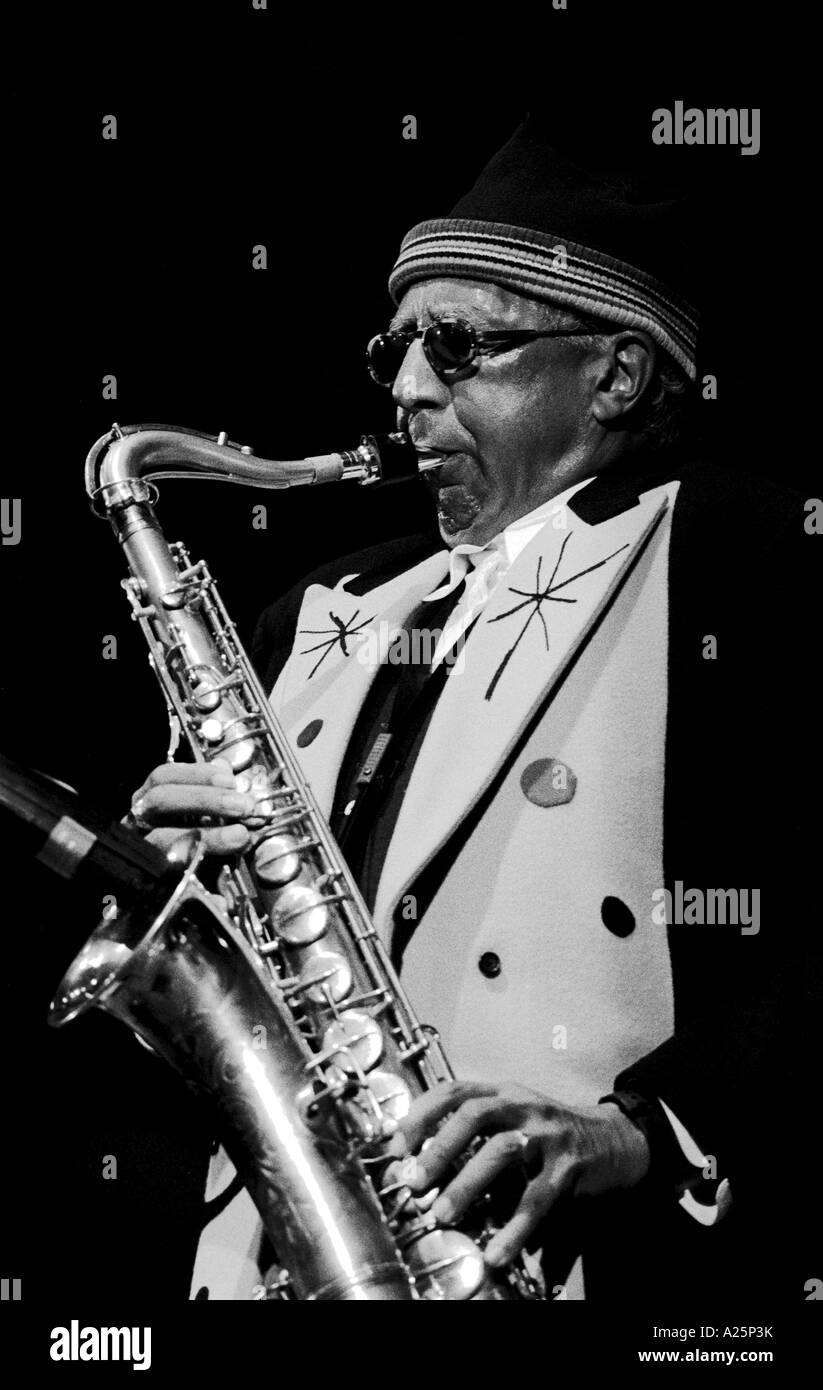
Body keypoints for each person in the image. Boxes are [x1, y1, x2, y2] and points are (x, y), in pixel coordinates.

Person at [127, 118, 819, 1301]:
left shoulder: (748, 551)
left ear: (615, 373)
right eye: (395, 345)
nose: (404, 392)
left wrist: (655, 1132)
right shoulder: (326, 603)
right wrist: (182, 881)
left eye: (457, 347)